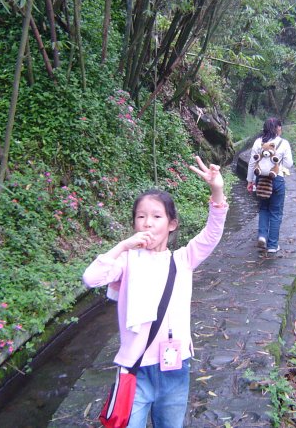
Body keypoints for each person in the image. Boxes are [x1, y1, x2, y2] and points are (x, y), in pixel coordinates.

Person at [82, 156, 227, 428]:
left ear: (171, 224)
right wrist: (123, 246)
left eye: (156, 216)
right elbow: (91, 278)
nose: (147, 223)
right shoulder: (126, 261)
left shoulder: (182, 260)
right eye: (141, 217)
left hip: (175, 368)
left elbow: (211, 235)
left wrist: (216, 190)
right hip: (135, 370)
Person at [246, 117, 293, 254]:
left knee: (263, 208)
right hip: (276, 179)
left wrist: (250, 181)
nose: (281, 129)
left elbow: (251, 163)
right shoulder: (283, 143)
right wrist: (278, 163)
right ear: (277, 128)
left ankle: (262, 236)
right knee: (276, 212)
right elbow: (289, 164)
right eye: (280, 126)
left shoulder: (257, 142)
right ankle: (272, 245)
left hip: (261, 180)